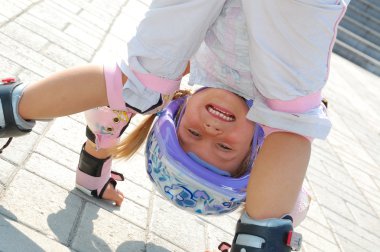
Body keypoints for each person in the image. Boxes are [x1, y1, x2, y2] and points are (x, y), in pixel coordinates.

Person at [0, 0, 350, 251]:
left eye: (192, 134)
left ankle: (7, 108)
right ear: (260, 151)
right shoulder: (279, 112)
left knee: (141, 81)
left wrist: (93, 173)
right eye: (225, 148)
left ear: (177, 110)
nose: (211, 132)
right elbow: (292, 194)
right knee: (290, 118)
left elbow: (107, 120)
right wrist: (269, 230)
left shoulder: (183, 73)